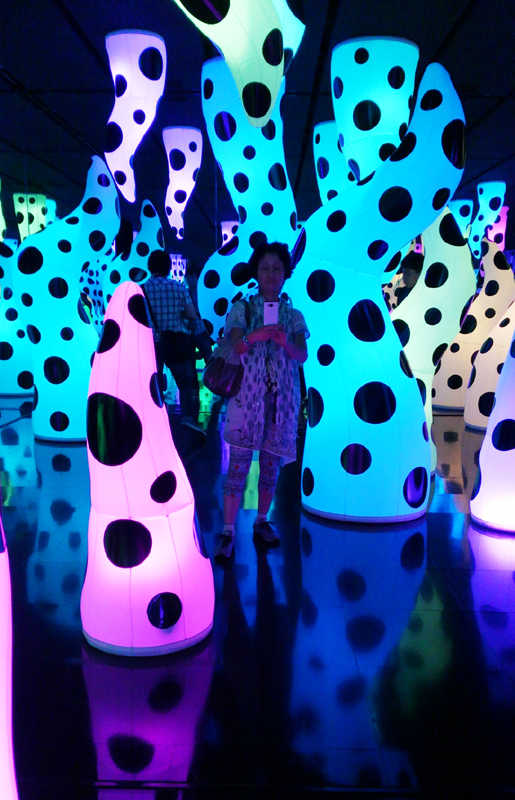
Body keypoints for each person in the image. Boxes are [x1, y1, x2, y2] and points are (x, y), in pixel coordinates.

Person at [214, 242, 309, 560]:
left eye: (277, 268)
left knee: (270, 468)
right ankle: (228, 530)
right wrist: (254, 335)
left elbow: (302, 355)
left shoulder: (294, 315)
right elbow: (236, 344)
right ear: (256, 272)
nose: (271, 273)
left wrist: (285, 342)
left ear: (286, 273)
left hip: (281, 404)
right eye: (265, 267)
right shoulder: (243, 309)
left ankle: (261, 520)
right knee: (237, 467)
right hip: (246, 399)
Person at [144, 250, 209, 436]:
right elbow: (192, 314)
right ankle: (187, 418)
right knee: (184, 382)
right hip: (175, 340)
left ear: (150, 267)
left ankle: (155, 416)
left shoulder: (141, 289)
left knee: (154, 380)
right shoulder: (178, 287)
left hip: (151, 343)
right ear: (168, 267)